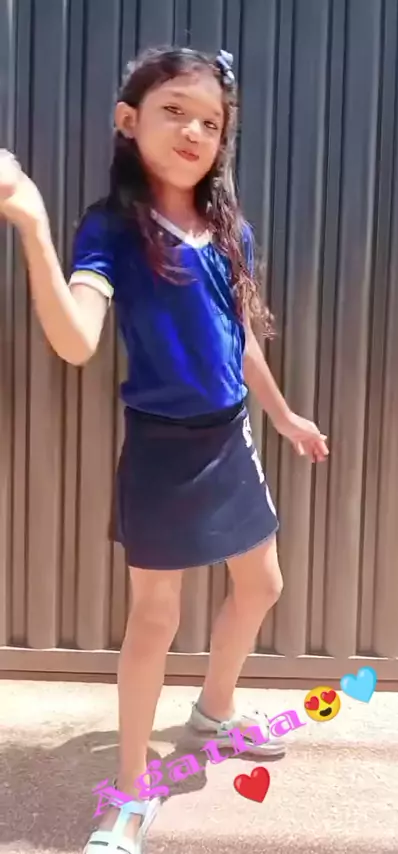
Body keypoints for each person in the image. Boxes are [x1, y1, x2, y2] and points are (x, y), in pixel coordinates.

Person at [0, 46, 329, 854]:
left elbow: (237, 338)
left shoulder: (228, 228)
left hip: (230, 438)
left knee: (263, 583)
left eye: (210, 122)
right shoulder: (113, 229)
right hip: (160, 447)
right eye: (174, 111)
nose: (193, 132)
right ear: (129, 120)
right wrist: (31, 226)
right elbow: (77, 340)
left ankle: (213, 713)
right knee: (156, 616)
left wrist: (284, 415)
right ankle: (128, 791)